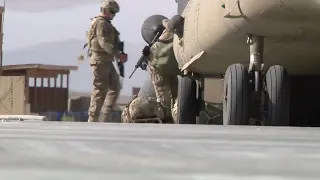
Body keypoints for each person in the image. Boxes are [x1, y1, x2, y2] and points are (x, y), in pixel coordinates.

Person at [86, 0, 127, 122]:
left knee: (115, 86)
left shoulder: (106, 23)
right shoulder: (101, 23)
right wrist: (118, 55)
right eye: (112, 11)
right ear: (105, 10)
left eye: (115, 12)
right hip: (100, 61)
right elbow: (103, 42)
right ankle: (92, 119)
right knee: (100, 90)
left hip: (107, 61)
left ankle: (105, 115)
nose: (114, 14)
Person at [146, 17, 181, 123]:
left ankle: (171, 119)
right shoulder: (173, 36)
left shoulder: (168, 33)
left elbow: (165, 22)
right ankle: (165, 121)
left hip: (167, 69)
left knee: (171, 97)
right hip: (159, 69)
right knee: (165, 98)